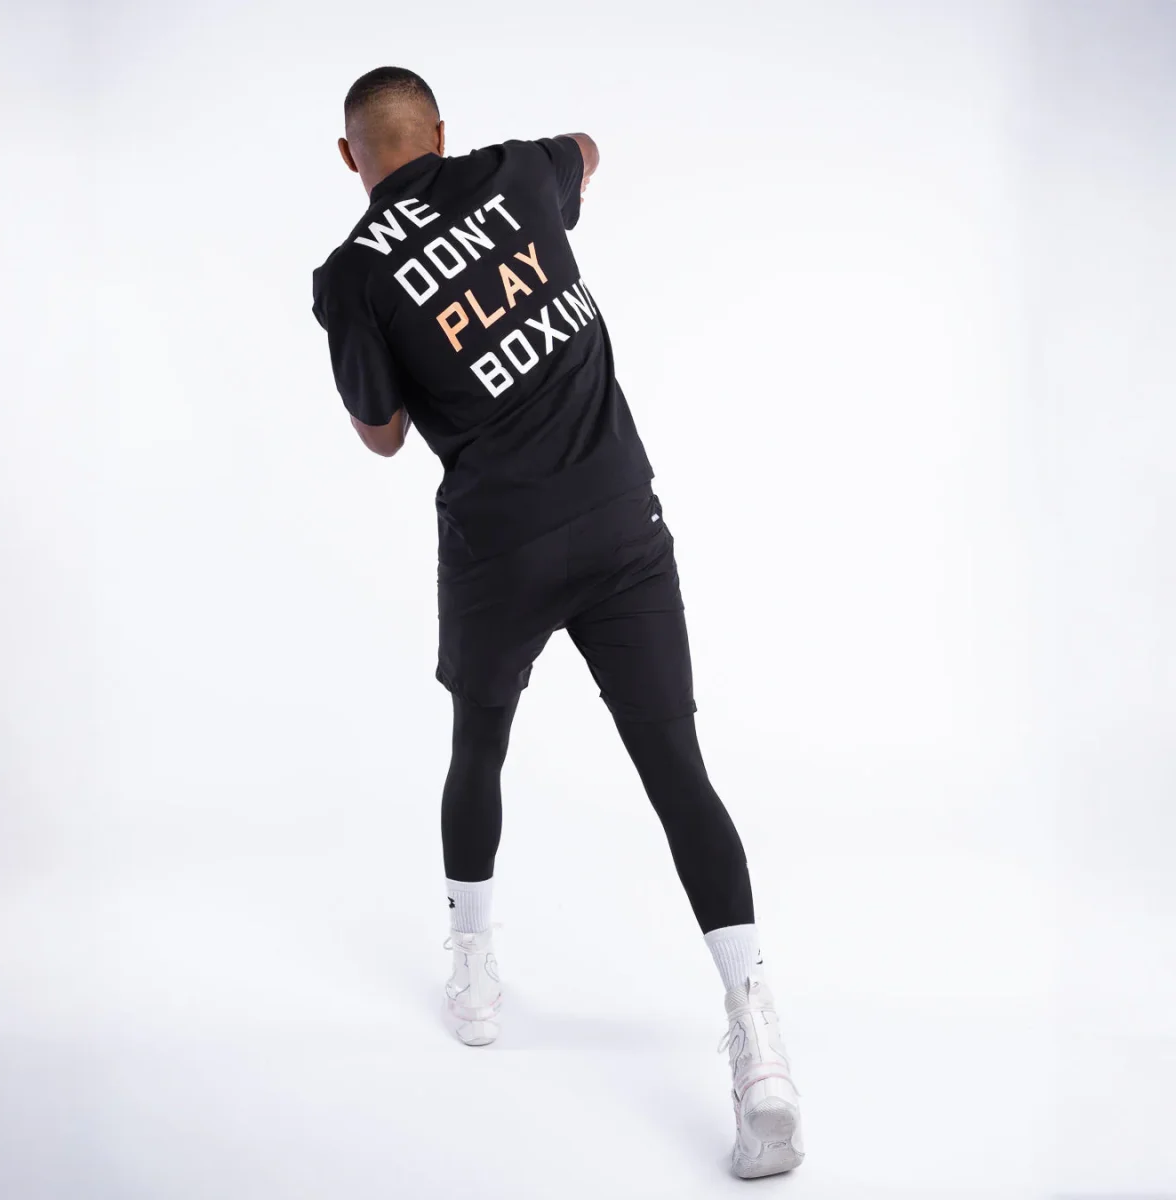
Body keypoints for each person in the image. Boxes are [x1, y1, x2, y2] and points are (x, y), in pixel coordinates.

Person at [311, 65, 804, 1178]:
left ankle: (474, 972)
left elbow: (383, 435)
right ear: (440, 132)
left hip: (503, 555)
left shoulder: (353, 276)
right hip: (621, 523)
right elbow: (588, 148)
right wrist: (533, 203)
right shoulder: (518, 174)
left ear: (352, 158)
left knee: (477, 749)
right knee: (678, 771)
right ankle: (759, 1040)